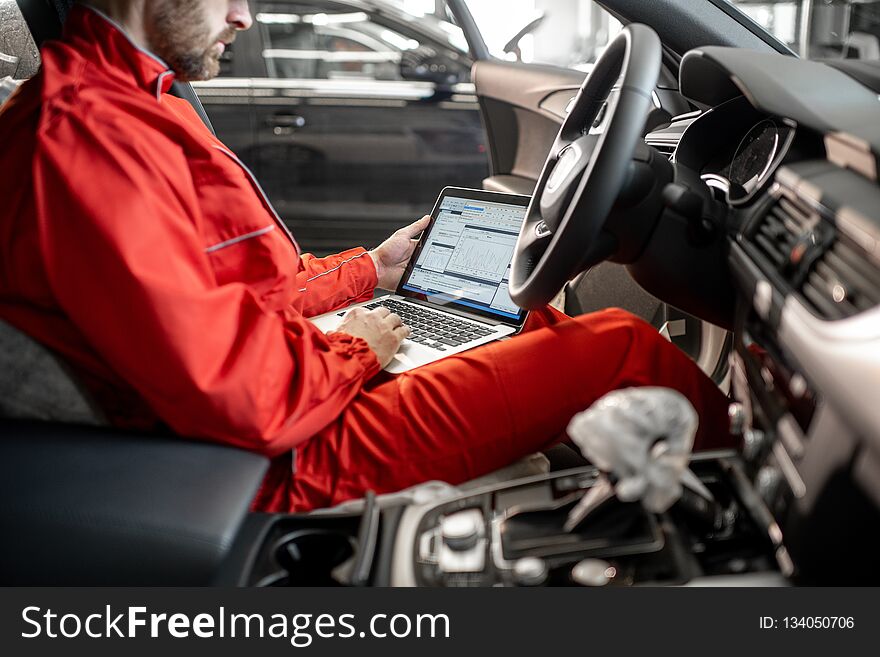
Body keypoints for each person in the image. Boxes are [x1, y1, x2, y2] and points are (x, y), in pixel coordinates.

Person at [0, 0, 732, 512]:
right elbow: (238, 396)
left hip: (270, 408)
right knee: (621, 349)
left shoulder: (122, 106)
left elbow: (229, 298)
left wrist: (372, 274)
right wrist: (356, 345)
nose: (243, 16)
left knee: (537, 330)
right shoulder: (87, 142)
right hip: (275, 459)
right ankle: (758, 525)